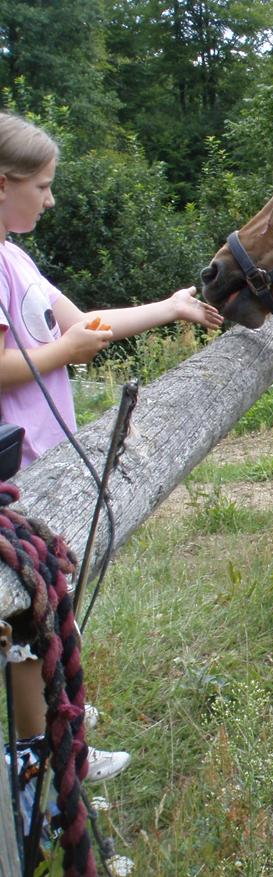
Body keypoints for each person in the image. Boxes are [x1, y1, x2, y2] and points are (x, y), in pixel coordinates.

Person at [0, 111, 222, 786]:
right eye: (41, 185)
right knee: (26, 620)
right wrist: (62, 353)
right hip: (17, 478)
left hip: (44, 463)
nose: (50, 198)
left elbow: (84, 323)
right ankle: (42, 756)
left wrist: (168, 307)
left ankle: (54, 724)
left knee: (46, 614)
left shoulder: (15, 257)